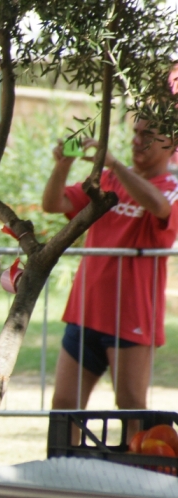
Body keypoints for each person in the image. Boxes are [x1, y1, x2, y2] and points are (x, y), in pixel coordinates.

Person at [42, 120, 178, 413]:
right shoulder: (107, 180)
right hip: (85, 310)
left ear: (173, 145)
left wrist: (115, 165)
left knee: (130, 407)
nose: (137, 141)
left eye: (149, 136)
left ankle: (139, 461)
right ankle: (64, 461)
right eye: (135, 133)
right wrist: (63, 165)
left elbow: (159, 207)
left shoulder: (171, 188)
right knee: (64, 406)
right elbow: (54, 203)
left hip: (131, 316)